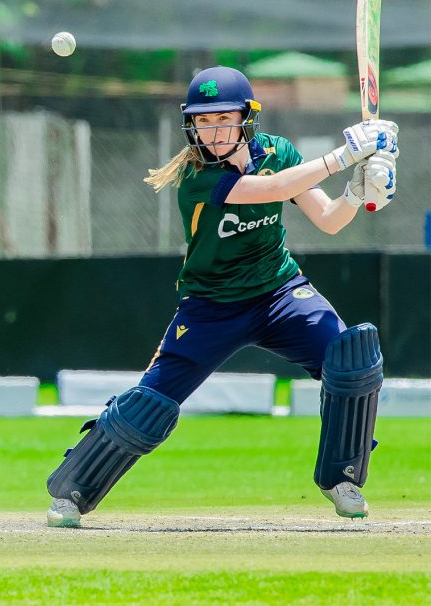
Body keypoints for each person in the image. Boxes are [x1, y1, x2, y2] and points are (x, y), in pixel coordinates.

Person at [45, 66, 399, 527]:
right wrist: (346, 155)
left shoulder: (277, 152)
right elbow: (271, 189)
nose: (211, 131)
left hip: (281, 293)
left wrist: (356, 191)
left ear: (247, 118)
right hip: (210, 307)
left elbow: (329, 219)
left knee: (351, 358)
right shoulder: (195, 176)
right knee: (149, 403)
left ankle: (342, 477)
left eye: (222, 119)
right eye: (202, 121)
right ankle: (74, 489)